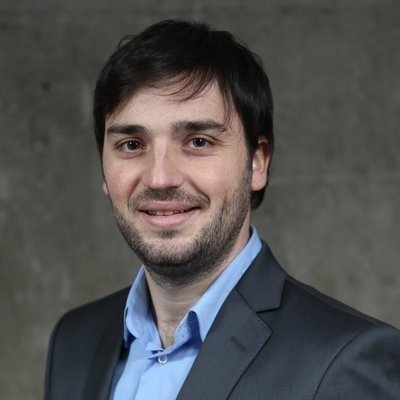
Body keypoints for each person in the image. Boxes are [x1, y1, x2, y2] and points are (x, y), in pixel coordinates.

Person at [44, 19, 400, 400]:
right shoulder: (74, 340)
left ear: (257, 162)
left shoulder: (347, 361)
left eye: (198, 141)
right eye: (131, 145)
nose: (160, 178)